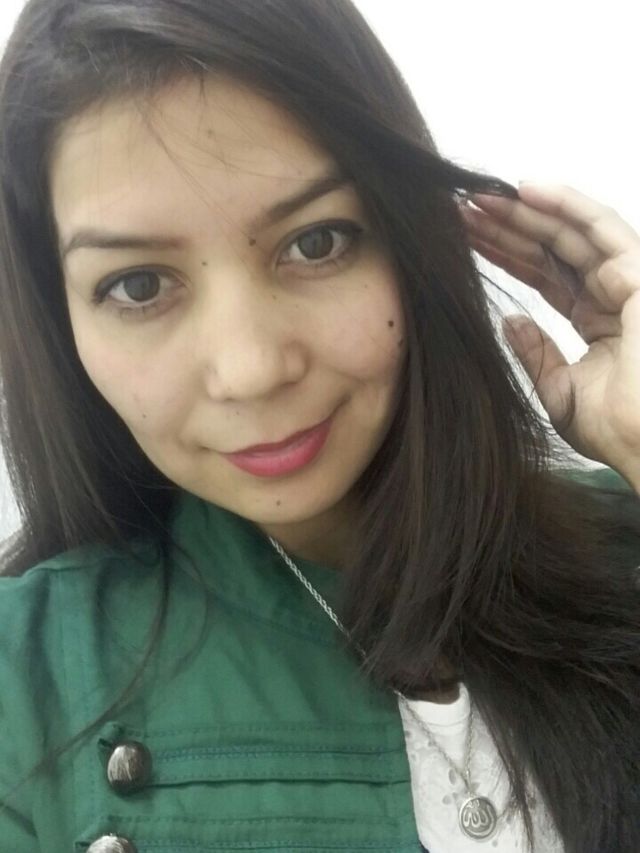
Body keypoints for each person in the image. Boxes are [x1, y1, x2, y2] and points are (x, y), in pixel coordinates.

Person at [0, 1, 638, 851]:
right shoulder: (26, 679)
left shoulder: (623, 543)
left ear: (407, 240)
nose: (252, 368)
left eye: (316, 242)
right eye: (139, 286)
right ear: (61, 321)